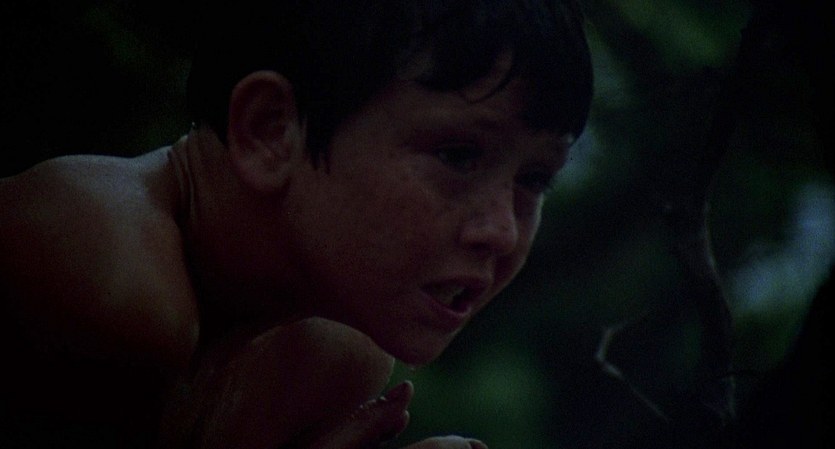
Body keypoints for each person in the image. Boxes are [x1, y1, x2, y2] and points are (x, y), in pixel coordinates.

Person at [0, 0, 593, 447]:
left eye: (535, 179)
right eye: (458, 156)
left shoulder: (331, 359)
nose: (502, 233)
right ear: (271, 130)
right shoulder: (99, 271)